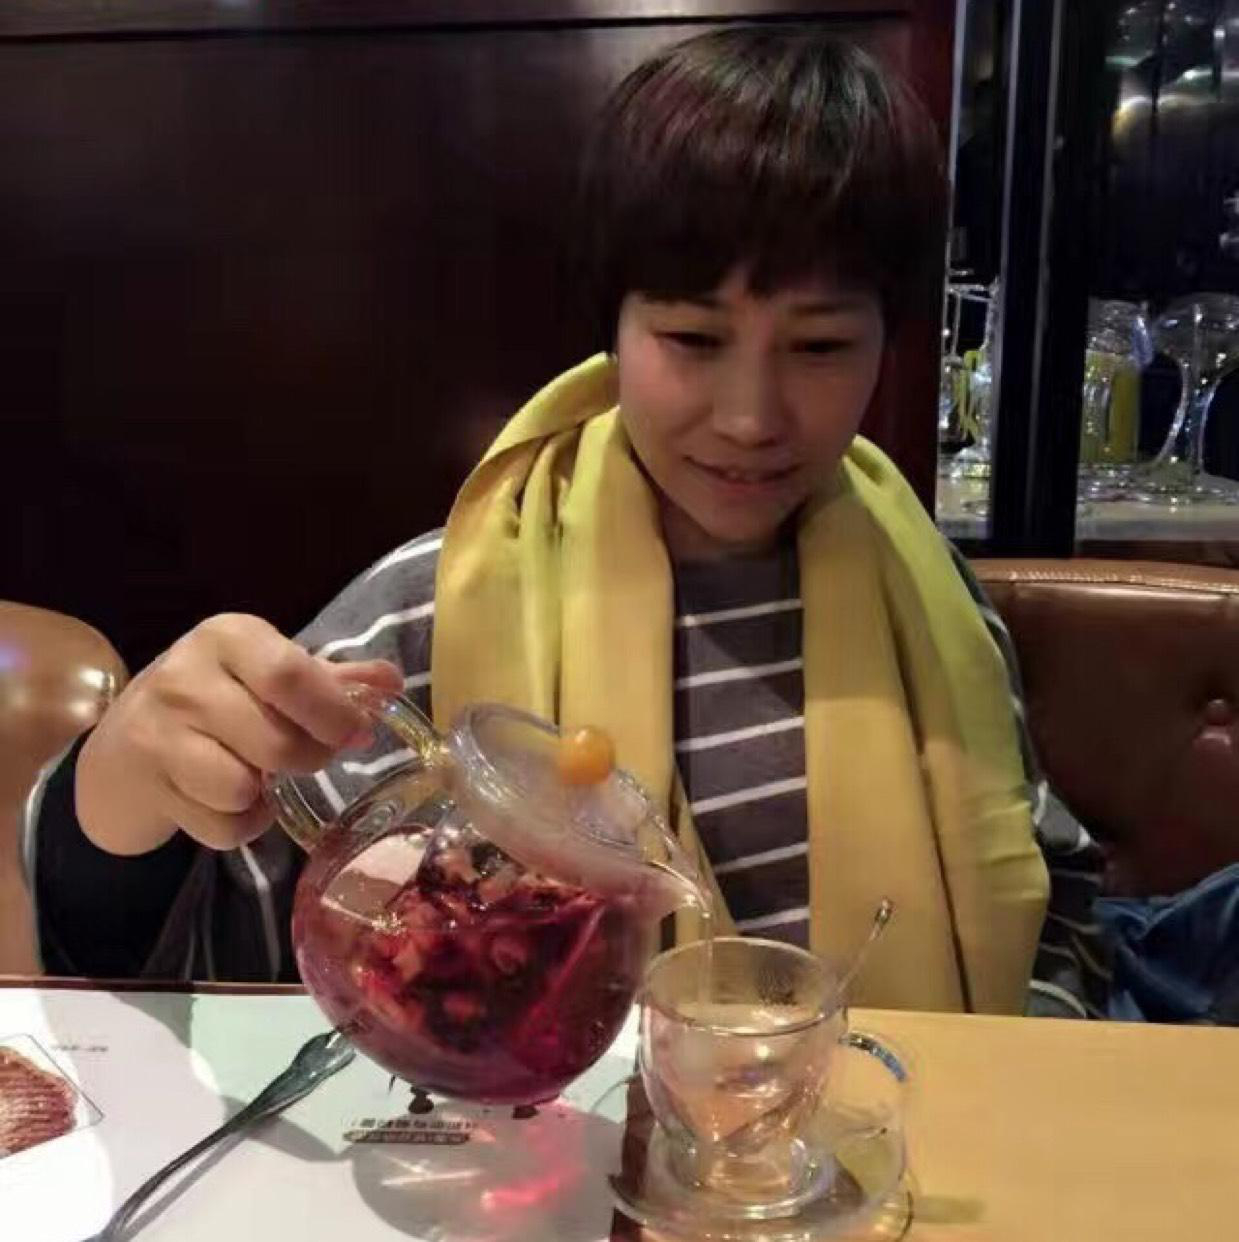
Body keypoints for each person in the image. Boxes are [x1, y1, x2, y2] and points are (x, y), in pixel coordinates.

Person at [26, 28, 1084, 1014]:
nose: (752, 417)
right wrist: (116, 795)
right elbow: (196, 967)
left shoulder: (932, 602)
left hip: (888, 1140)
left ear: (889, 346)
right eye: (693, 339)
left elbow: (1057, 908)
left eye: (819, 347)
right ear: (612, 331)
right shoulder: (427, 616)